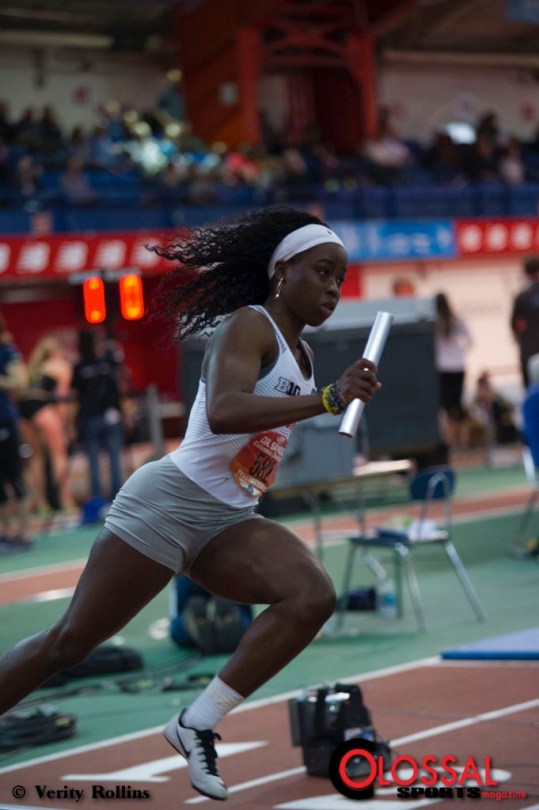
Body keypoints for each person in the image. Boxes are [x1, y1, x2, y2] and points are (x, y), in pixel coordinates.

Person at [0, 206, 381, 801]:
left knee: (311, 595)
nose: (334, 287)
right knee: (70, 643)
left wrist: (327, 400)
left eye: (341, 277)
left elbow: (265, 436)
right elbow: (225, 411)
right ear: (282, 272)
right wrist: (329, 399)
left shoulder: (304, 358)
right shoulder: (250, 325)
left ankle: (196, 722)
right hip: (170, 504)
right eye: (323, 272)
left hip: (230, 518)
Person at [18, 336, 76, 514]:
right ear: (56, 352)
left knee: (36, 458)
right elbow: (62, 398)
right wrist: (66, 425)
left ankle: (42, 504)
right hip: (42, 406)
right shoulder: (60, 366)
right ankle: (66, 501)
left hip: (23, 410)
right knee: (59, 454)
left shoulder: (33, 368)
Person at [70, 330, 125, 505]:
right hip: (106, 417)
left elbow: (74, 395)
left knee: (94, 461)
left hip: (91, 419)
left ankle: (98, 500)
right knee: (114, 458)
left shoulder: (80, 367)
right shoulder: (107, 364)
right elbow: (118, 388)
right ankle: (118, 499)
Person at [0, 313, 32, 552]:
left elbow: (20, 381)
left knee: (15, 476)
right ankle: (5, 533)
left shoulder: (7, 350)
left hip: (5, 422)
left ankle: (24, 533)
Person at [170, 575, 253, 654]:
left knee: (181, 618)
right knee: (241, 609)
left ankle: (190, 624)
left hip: (191, 571)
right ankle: (234, 619)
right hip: (231, 570)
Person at [434, 291, 473, 449]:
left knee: (446, 405)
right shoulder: (455, 320)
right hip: (457, 366)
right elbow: (470, 341)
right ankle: (462, 442)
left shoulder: (436, 322)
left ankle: (452, 442)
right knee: (456, 405)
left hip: (443, 367)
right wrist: (459, 352)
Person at [510, 256, 539, 389]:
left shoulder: (522, 297)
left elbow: (515, 324)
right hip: (530, 348)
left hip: (529, 349)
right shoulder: (522, 297)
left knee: (531, 389)